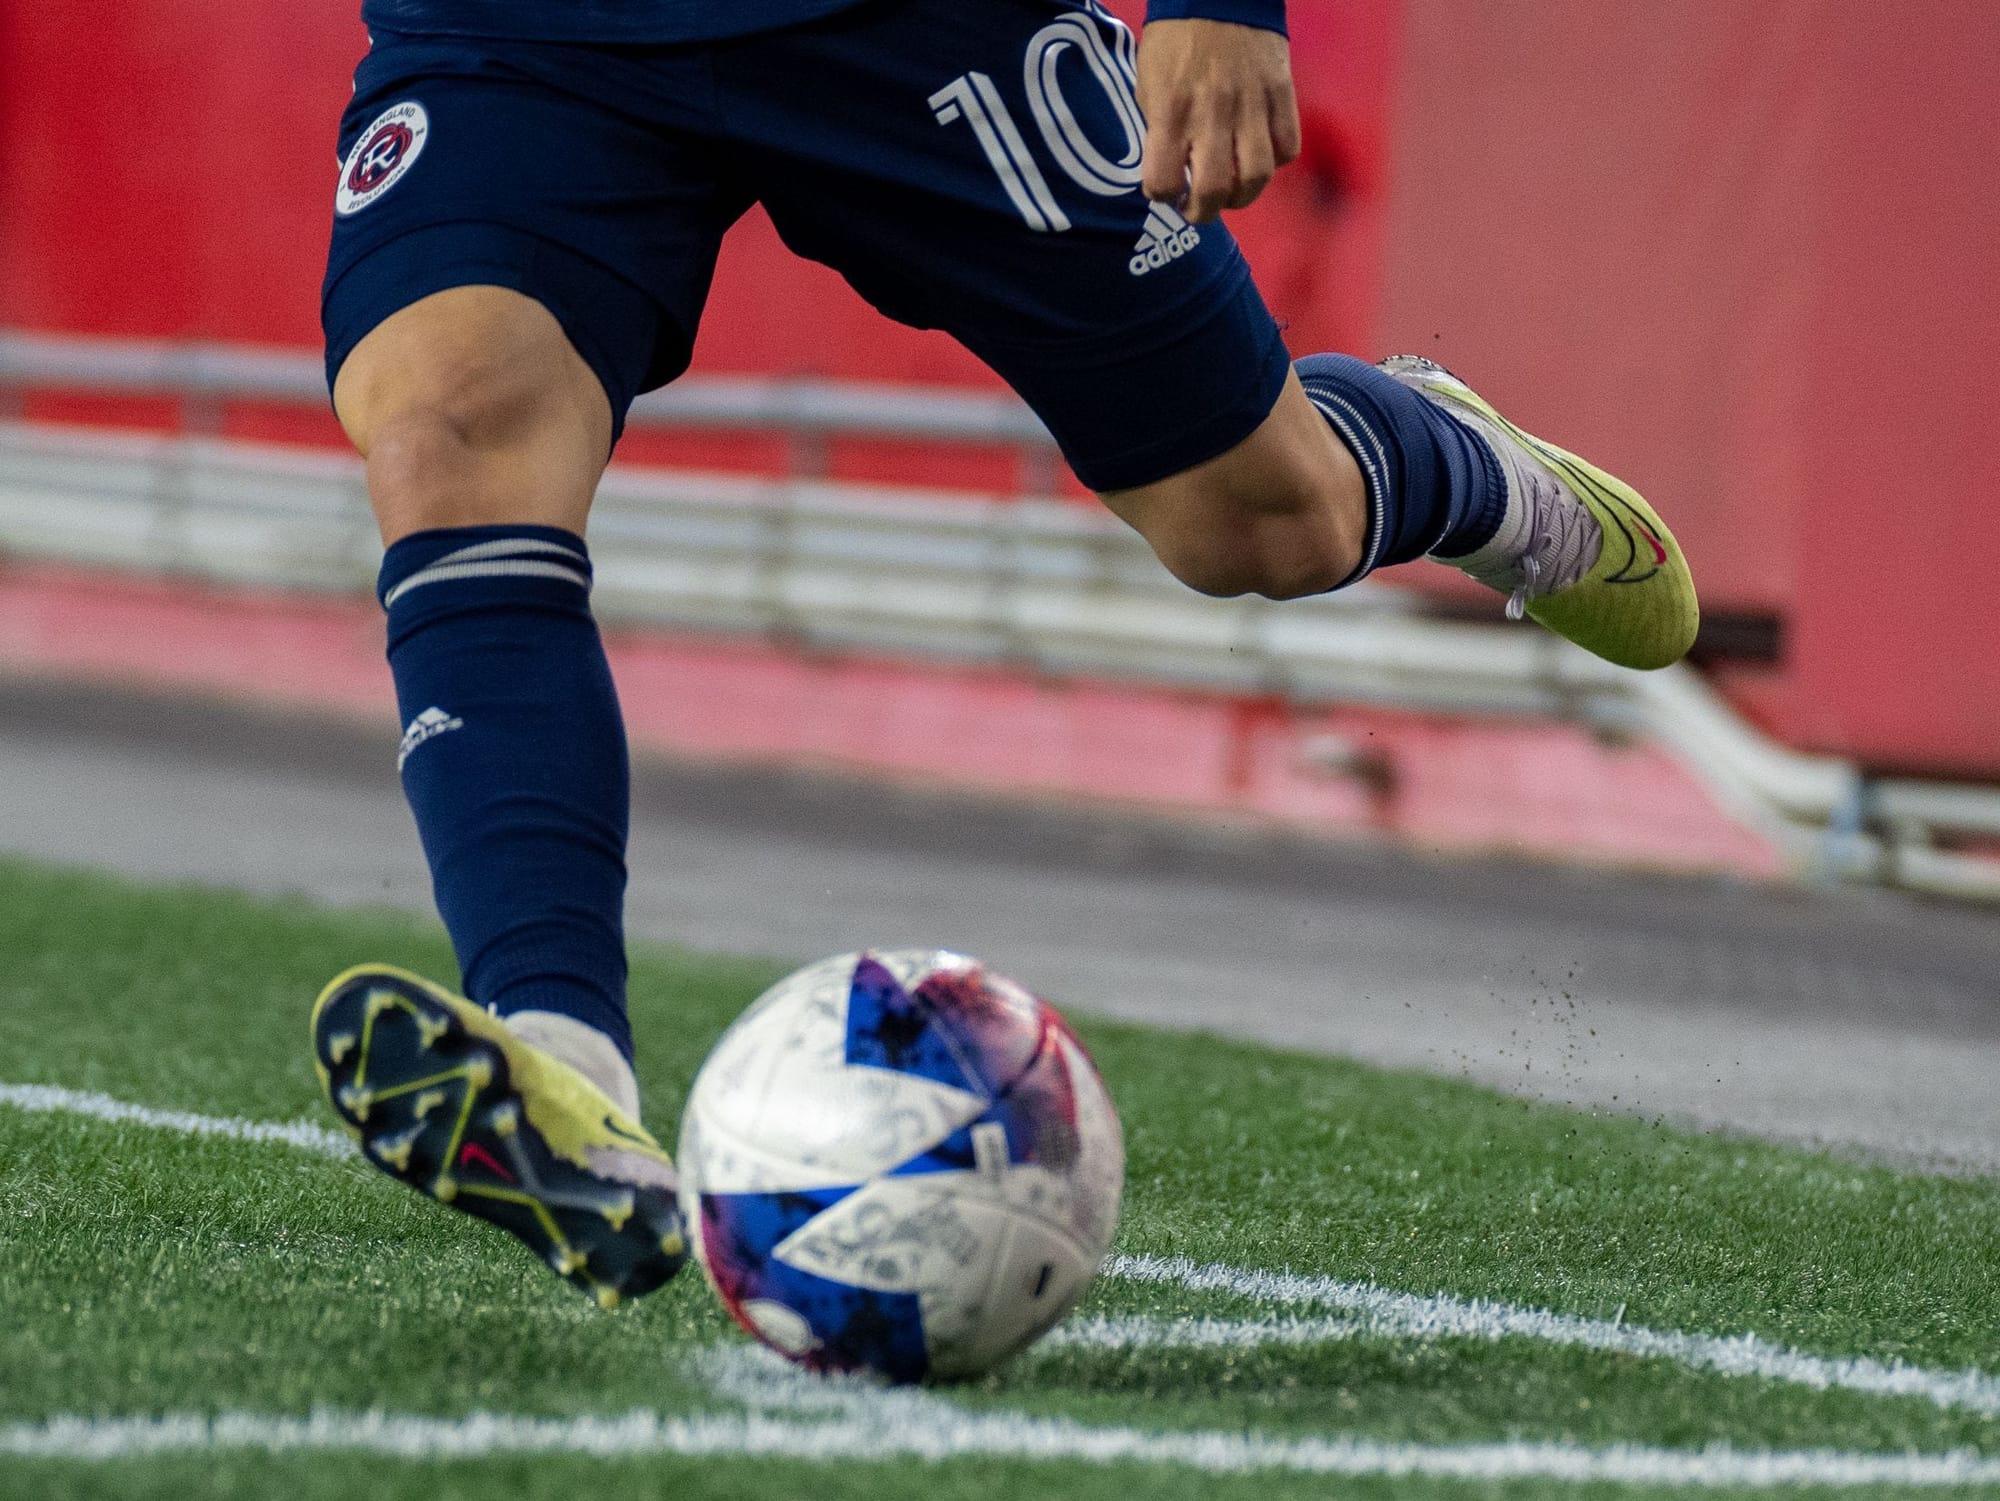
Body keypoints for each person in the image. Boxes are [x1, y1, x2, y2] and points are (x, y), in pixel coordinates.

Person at [309, 0, 1698, 1308]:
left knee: (1261, 521)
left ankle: (1470, 471)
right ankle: (562, 1067)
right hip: (531, 35)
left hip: (911, 23)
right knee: (449, 432)